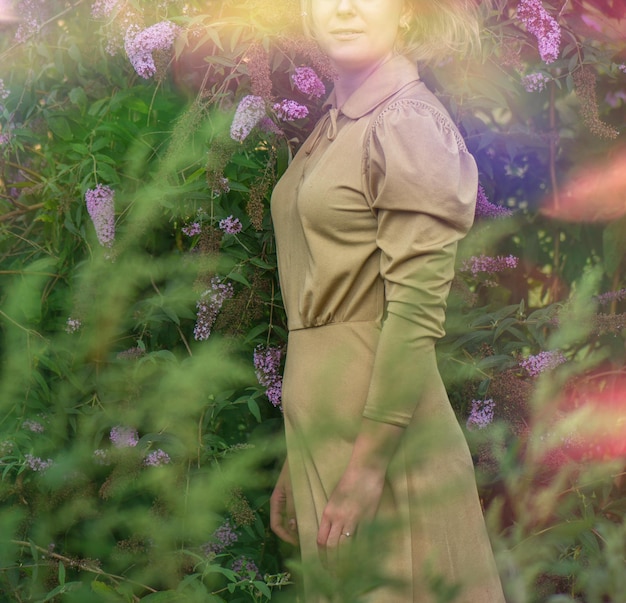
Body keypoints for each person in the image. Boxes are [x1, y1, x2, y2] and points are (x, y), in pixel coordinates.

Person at [269, 0, 506, 601]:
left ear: (406, 12)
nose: (345, 7)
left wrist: (367, 465)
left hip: (383, 434)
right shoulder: (337, 122)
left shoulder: (404, 122)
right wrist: (298, 449)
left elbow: (414, 311)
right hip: (327, 430)